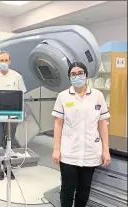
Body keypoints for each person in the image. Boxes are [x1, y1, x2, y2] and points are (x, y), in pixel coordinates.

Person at [51, 62, 111, 207]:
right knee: (67, 190)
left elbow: (102, 123)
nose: (77, 76)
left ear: (86, 75)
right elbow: (58, 124)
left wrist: (105, 150)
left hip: (91, 151)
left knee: (84, 191)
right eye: (73, 74)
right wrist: (56, 149)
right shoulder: (63, 96)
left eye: (80, 73)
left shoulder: (97, 96)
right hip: (69, 151)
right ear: (69, 77)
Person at [0, 51, 27, 180]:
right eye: (1, 60)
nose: (4, 63)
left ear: (10, 61)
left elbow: (21, 94)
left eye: (6, 60)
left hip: (12, 114)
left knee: (9, 140)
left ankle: (8, 167)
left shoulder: (17, 76)